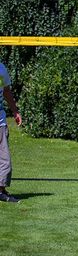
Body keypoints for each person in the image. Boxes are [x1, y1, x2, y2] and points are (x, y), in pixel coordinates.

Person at [0, 61, 23, 203]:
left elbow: (6, 91)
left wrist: (15, 111)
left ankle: (0, 191)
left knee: (4, 159)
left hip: (0, 122)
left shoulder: (2, 68)